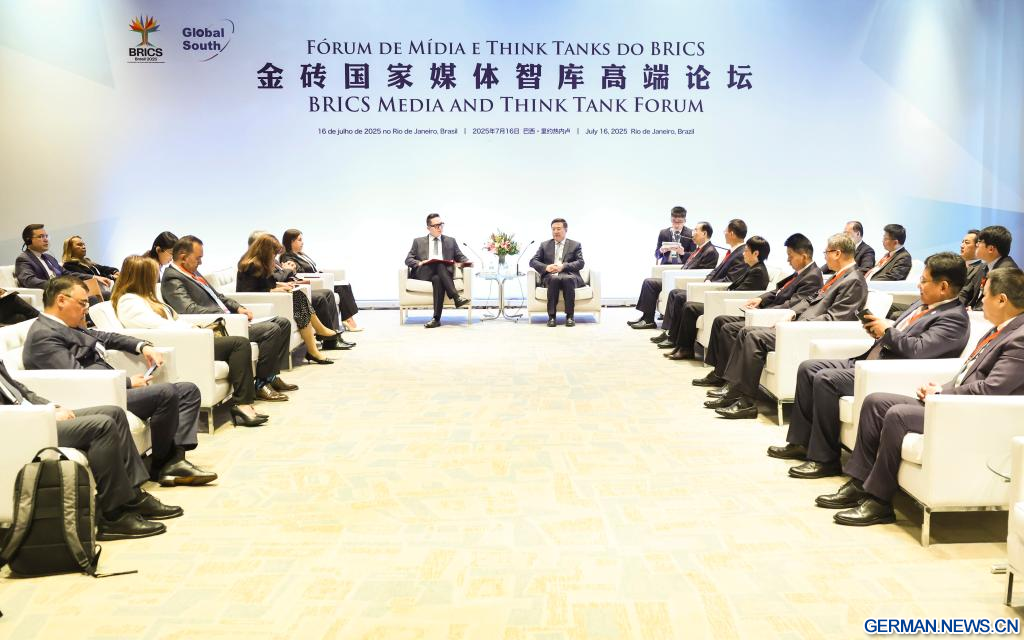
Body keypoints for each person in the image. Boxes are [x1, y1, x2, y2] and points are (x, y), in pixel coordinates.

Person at [820, 268, 1024, 526]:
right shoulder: (1000, 330)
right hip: (953, 401)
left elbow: (993, 389)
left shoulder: (1019, 338)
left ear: (1002, 299)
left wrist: (944, 393)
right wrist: (940, 387)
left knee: (898, 415)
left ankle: (879, 501)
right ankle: (859, 483)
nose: (980, 299)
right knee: (875, 402)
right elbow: (969, 375)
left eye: (985, 295)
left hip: (973, 412)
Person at [768, 252, 971, 477]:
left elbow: (919, 350)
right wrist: (879, 331)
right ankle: (801, 443)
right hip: (870, 360)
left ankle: (824, 459)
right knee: (808, 368)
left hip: (888, 371)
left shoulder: (954, 318)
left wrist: (887, 331)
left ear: (943, 287)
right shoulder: (923, 303)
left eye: (924, 280)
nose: (919, 285)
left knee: (826, 379)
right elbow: (902, 335)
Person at [22, 276, 216, 488]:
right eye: (82, 303)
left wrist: (143, 346)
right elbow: (77, 376)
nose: (86, 308)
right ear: (61, 300)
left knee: (188, 390)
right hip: (96, 396)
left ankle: (174, 459)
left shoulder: (68, 325)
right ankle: (163, 465)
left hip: (110, 387)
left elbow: (107, 337)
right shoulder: (44, 334)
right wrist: (128, 383)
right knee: (166, 393)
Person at [0, 362, 181, 540]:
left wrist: (52, 407)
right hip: (24, 425)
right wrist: (45, 415)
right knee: (102, 426)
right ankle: (113, 517)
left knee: (114, 413)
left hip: (39, 415)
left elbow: (20, 390)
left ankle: (133, 498)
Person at [707, 233, 868, 419]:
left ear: (837, 253)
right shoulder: (840, 276)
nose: (824, 257)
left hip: (808, 333)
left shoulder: (854, 280)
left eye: (826, 252)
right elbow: (811, 299)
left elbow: (835, 318)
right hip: (799, 327)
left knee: (754, 337)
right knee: (745, 332)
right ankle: (734, 391)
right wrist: (792, 312)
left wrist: (798, 325)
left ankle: (746, 403)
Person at [112, 255, 267, 428]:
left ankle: (244, 403)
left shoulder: (146, 298)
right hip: (181, 344)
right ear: (142, 276)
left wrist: (193, 327)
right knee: (238, 344)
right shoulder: (129, 302)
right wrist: (192, 331)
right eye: (153, 274)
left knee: (237, 344)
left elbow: (173, 320)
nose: (157, 277)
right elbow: (159, 326)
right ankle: (243, 404)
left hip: (188, 339)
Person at [161, 235, 296, 402]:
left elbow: (218, 296)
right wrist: (227, 316)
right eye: (198, 258)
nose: (201, 262)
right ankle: (261, 385)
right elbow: (188, 309)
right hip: (217, 326)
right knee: (271, 330)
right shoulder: (173, 278)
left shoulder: (192, 272)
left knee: (283, 323)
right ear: (183, 257)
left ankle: (271, 376)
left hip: (230, 319)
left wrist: (238, 307)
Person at [693, 233, 823, 389]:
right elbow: (778, 291)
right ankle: (718, 372)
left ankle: (728, 380)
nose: (788, 260)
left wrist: (763, 311)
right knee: (720, 320)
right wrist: (761, 299)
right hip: (765, 312)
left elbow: (792, 304)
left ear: (804, 256)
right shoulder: (801, 272)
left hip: (773, 317)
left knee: (729, 329)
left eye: (790, 256)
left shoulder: (812, 276)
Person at [664, 235, 772, 360]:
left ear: (756, 253)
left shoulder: (758, 271)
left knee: (690, 307)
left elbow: (741, 292)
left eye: (746, 250)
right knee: (687, 304)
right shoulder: (752, 268)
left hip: (731, 306)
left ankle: (686, 349)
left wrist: (721, 294)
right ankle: (681, 346)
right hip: (726, 300)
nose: (743, 253)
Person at [236, 235, 337, 365]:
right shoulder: (252, 265)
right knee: (298, 298)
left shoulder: (259, 263)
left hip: (268, 299)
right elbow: (250, 291)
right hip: (258, 303)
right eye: (273, 253)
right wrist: (273, 290)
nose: (274, 257)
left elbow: (266, 284)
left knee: (298, 296)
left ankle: (315, 341)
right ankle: (316, 341)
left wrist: (280, 286)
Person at [247, 230, 352, 352]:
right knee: (307, 298)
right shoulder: (255, 264)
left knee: (320, 294)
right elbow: (267, 284)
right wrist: (285, 275)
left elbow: (270, 282)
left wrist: (281, 285)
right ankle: (321, 340)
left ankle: (327, 339)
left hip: (281, 291)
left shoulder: (267, 261)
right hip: (271, 301)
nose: (273, 253)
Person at [648, 219, 750, 340]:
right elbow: (715, 271)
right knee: (675, 293)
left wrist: (709, 284)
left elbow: (730, 279)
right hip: (708, 286)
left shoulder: (741, 254)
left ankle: (672, 336)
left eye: (726, 231)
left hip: (714, 292)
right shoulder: (732, 251)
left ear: (732, 233)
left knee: (679, 296)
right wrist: (708, 279)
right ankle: (669, 331)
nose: (724, 233)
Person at [630, 221, 719, 330]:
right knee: (648, 282)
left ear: (704, 234)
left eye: (696, 230)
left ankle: (648, 320)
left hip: (684, 281)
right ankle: (646, 317)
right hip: (680, 277)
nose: (693, 232)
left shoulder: (710, 251)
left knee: (650, 283)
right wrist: (682, 253)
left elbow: (701, 273)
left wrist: (681, 273)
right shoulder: (700, 248)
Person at [281, 228, 362, 332]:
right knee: (342, 287)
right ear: (291, 241)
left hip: (318, 279)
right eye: (299, 240)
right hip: (312, 282)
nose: (302, 242)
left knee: (346, 284)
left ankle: (348, 319)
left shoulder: (300, 254)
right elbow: (298, 273)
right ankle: (348, 320)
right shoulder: (287, 257)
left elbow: (312, 268)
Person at [404, 213, 472, 328]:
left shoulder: (450, 241)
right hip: (424, 272)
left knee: (438, 279)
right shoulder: (418, 241)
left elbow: (460, 257)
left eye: (441, 224)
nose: (440, 228)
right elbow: (408, 260)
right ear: (428, 228)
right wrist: (420, 262)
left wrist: (468, 262)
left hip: (443, 274)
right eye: (436, 226)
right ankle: (456, 297)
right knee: (439, 263)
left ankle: (436, 319)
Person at [14, 224, 105, 302]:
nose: (46, 240)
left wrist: (93, 277)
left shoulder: (49, 258)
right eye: (41, 236)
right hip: (50, 295)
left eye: (46, 236)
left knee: (105, 294)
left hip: (64, 292)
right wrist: (58, 284)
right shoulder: (24, 259)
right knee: (91, 298)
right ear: (28, 240)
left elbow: (67, 273)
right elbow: (29, 281)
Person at [529, 217, 585, 327]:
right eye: (553, 229)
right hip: (551, 276)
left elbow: (580, 262)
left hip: (569, 275)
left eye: (558, 229)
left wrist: (563, 266)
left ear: (565, 230)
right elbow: (533, 261)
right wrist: (546, 267)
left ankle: (570, 316)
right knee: (554, 279)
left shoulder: (575, 245)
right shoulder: (544, 245)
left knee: (567, 279)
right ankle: (551, 317)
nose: (555, 231)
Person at [964, 225, 1019, 308]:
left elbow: (998, 305)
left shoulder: (1007, 272)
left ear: (991, 249)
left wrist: (975, 312)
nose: (977, 245)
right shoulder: (984, 266)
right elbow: (966, 292)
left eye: (979, 241)